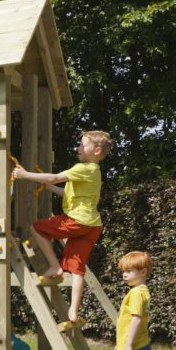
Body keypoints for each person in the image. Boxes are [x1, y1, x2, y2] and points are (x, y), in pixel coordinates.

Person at [12, 130, 113, 322]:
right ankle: (73, 312)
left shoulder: (84, 168)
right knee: (77, 269)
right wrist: (48, 188)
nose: (79, 148)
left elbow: (54, 177)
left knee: (37, 228)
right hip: (92, 227)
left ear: (97, 150)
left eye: (83, 145)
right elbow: (64, 190)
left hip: (77, 221)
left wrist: (25, 175)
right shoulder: (94, 173)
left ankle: (55, 267)